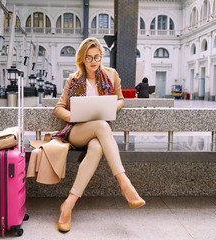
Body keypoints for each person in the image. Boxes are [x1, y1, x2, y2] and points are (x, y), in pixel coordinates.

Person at [52, 37, 146, 232]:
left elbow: (120, 99)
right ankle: (124, 183)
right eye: (89, 57)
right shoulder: (74, 79)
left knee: (96, 147)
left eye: (97, 57)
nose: (93, 61)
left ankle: (68, 205)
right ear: (82, 59)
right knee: (103, 126)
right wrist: (75, 116)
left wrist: (112, 106)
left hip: (98, 135)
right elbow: (58, 108)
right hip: (77, 131)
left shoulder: (111, 75)